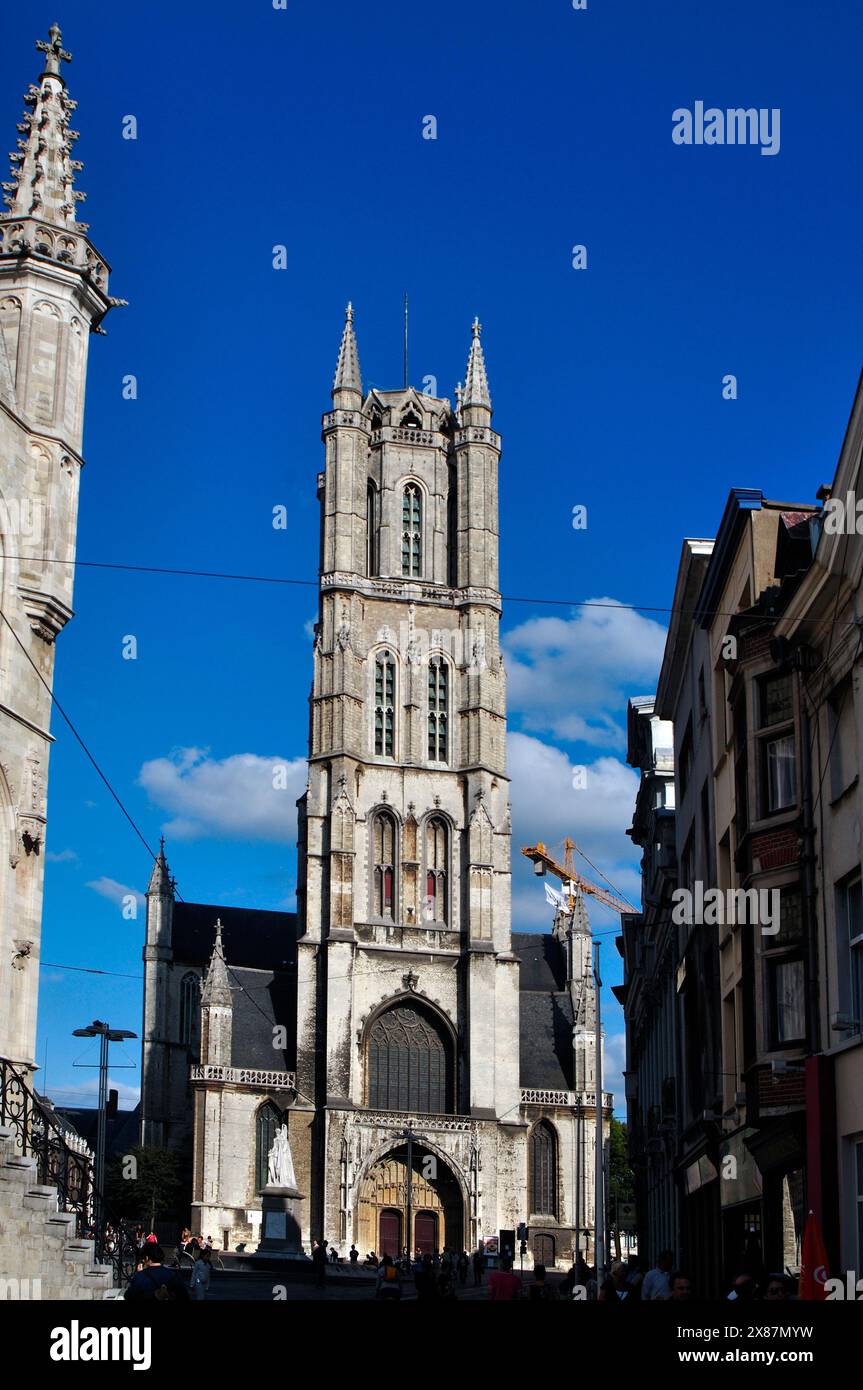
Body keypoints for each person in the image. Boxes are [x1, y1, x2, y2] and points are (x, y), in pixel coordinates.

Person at [124, 1243, 189, 1301]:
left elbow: (128, 1296)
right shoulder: (174, 1275)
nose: (143, 1261)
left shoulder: (140, 1276)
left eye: (143, 1258)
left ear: (147, 1258)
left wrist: (139, 1274)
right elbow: (185, 1296)